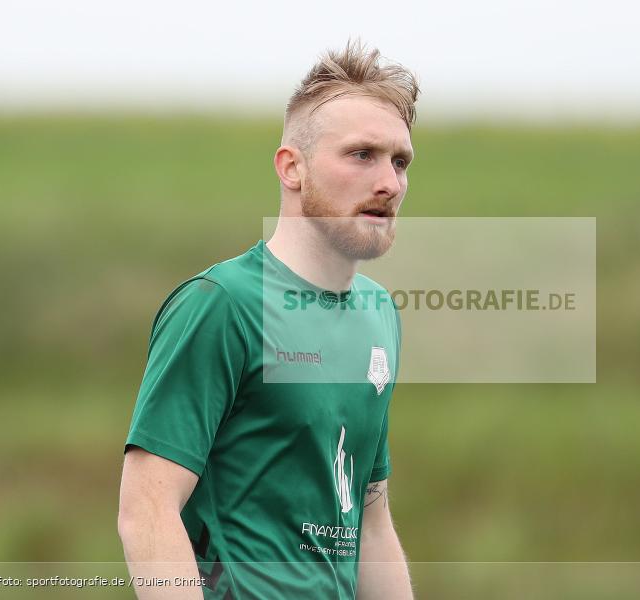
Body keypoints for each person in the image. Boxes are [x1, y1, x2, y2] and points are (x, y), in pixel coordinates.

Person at [118, 40, 417, 599]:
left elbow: (370, 522)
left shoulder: (379, 314)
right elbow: (147, 510)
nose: (390, 182)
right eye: (361, 155)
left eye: (400, 161)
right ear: (292, 168)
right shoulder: (221, 305)